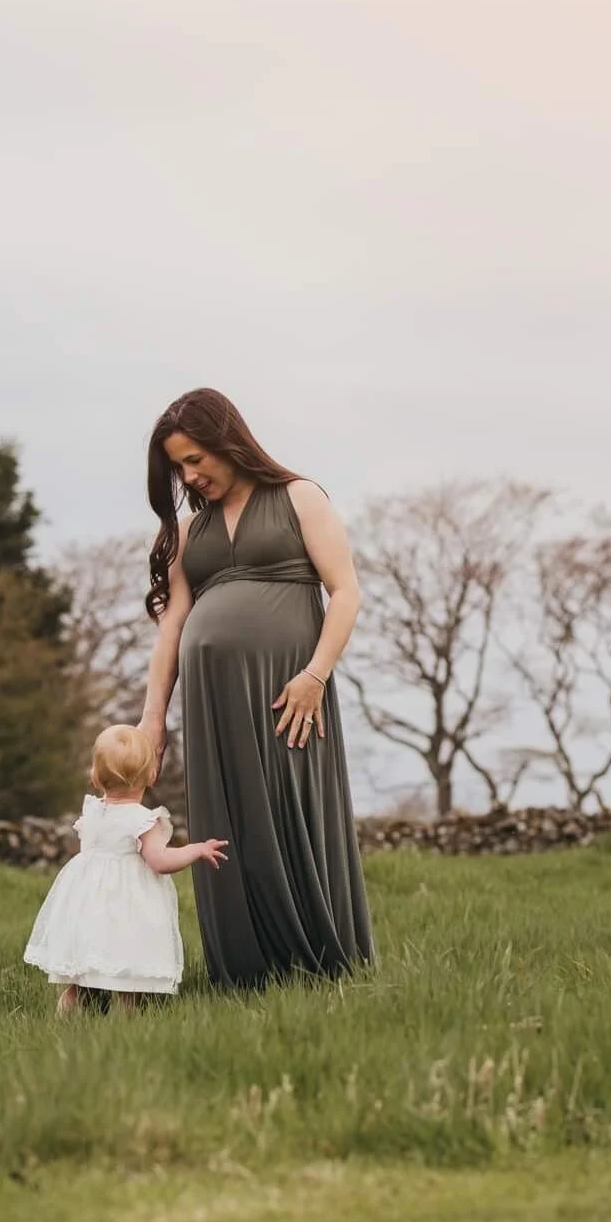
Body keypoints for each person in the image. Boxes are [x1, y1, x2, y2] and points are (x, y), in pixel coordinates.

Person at [136, 388, 377, 987]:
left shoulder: (300, 497)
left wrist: (315, 676)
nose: (190, 476)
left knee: (293, 811)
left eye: (195, 459)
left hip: (290, 694)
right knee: (230, 824)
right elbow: (173, 627)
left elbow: (344, 593)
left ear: (227, 441)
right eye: (179, 468)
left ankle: (323, 966)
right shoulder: (193, 532)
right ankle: (244, 974)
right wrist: (151, 721)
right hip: (214, 703)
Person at [23, 724, 230, 1015]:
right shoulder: (143, 820)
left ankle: (66, 1017)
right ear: (151, 776)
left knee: (81, 976)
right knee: (127, 972)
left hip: (86, 904)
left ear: (95, 777)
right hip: (126, 907)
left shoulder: (92, 812)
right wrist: (196, 850)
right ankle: (127, 1017)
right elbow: (160, 861)